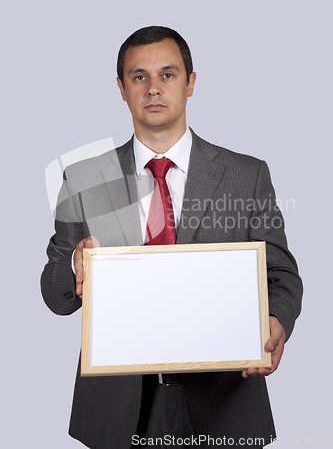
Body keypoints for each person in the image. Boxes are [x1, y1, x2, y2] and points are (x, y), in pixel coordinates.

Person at [41, 26, 302, 449]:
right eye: (139, 77)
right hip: (116, 409)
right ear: (122, 89)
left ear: (191, 83)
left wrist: (278, 321)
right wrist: (74, 265)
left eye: (168, 74)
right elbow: (54, 293)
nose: (154, 88)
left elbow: (283, 277)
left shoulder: (247, 175)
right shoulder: (84, 179)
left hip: (226, 401)